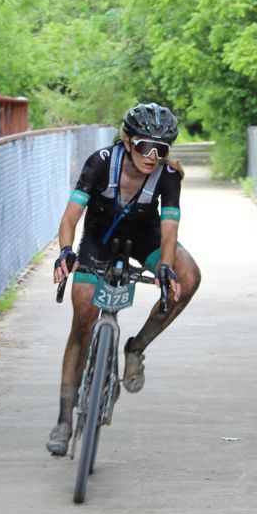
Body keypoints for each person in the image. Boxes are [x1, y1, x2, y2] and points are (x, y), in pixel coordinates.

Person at [46, 103, 202, 456]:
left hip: (145, 236)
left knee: (188, 276)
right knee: (83, 319)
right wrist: (66, 250)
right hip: (99, 240)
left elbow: (169, 227)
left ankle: (135, 348)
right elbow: (70, 218)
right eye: (146, 146)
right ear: (128, 141)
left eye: (162, 149)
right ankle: (64, 421)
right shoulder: (100, 162)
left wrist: (165, 267)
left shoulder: (167, 176)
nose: (153, 156)